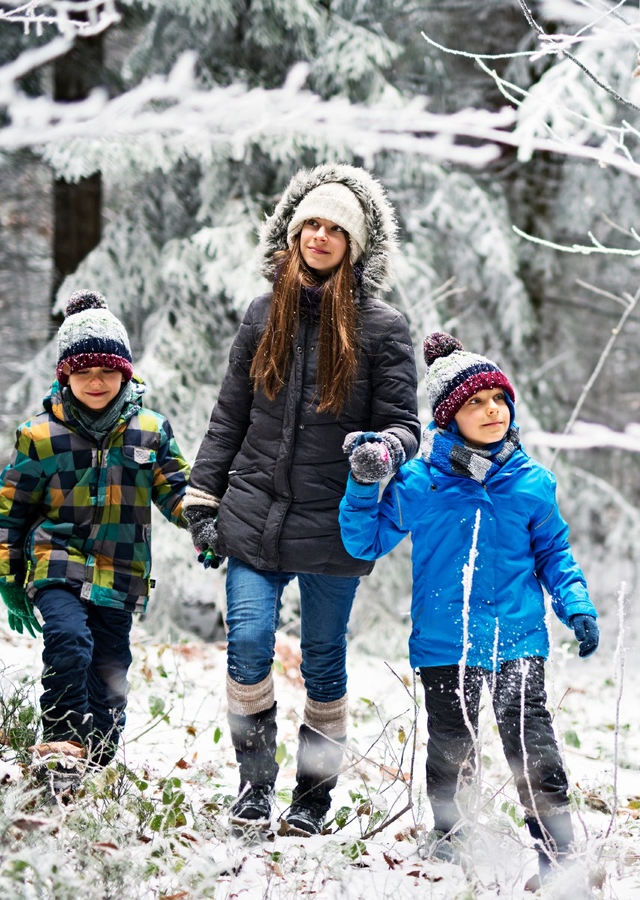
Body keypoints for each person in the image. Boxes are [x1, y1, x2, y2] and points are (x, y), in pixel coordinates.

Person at [183, 164, 420, 837]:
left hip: (334, 523)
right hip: (255, 512)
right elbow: (229, 415)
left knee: (322, 661)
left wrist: (384, 452)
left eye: (334, 228)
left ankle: (311, 802)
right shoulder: (262, 313)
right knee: (248, 642)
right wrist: (204, 502)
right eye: (310, 224)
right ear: (293, 234)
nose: (319, 236)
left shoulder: (381, 327)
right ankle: (254, 790)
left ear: (355, 244)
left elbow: (408, 426)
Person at [338, 332, 600, 886]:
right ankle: (454, 847)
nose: (491, 410)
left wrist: (575, 605)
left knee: (533, 747)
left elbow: (554, 552)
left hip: (518, 640)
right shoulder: (420, 482)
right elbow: (365, 542)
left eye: (499, 399)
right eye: (475, 403)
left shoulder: (531, 482)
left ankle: (560, 856)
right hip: (445, 642)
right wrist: (364, 485)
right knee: (451, 750)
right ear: (448, 417)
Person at [0, 290, 190, 789]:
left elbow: (178, 493)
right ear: (65, 376)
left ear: (125, 372)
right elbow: (9, 510)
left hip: (120, 569)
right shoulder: (39, 436)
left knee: (110, 671)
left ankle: (95, 763)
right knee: (70, 641)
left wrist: (206, 526)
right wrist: (8, 580)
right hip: (55, 559)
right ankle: (58, 745)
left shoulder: (149, 431)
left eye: (106, 372)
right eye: (83, 373)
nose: (95, 383)